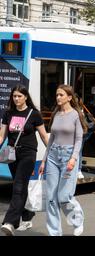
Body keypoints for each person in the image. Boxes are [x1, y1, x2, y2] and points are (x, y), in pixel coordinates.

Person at [0, 85, 48, 236]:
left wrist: (51, 154)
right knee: (20, 185)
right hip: (12, 153)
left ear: (26, 97)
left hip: (28, 153)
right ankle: (27, 216)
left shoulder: (34, 114)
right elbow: (2, 136)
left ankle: (9, 222)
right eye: (14, 96)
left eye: (19, 96)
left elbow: (44, 136)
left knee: (19, 186)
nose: (16, 99)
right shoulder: (8, 113)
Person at [38, 84, 87, 236]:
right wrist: (44, 160)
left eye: (61, 95)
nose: (58, 97)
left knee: (64, 196)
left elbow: (79, 140)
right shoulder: (56, 114)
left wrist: (73, 159)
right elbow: (51, 138)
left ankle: (77, 221)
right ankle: (54, 233)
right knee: (51, 198)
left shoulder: (76, 115)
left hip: (68, 157)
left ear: (69, 98)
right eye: (57, 95)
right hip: (53, 156)